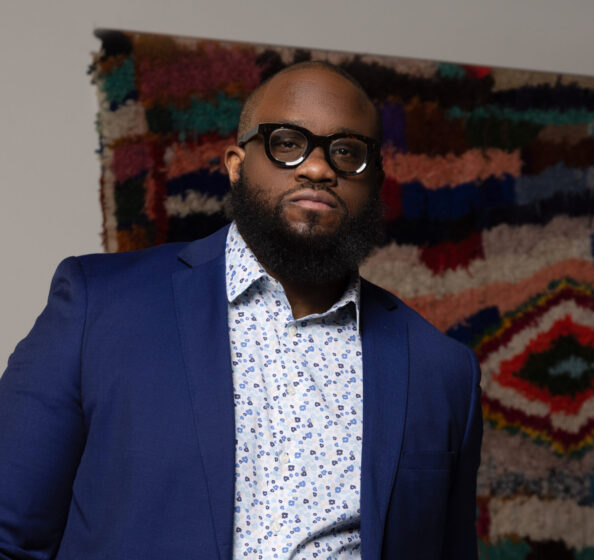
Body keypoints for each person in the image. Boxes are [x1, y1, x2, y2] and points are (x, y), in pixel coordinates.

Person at [0, 61, 482, 560]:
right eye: (287, 143)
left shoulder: (442, 372)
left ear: (376, 179)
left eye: (346, 152)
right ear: (235, 162)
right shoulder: (97, 307)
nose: (318, 169)